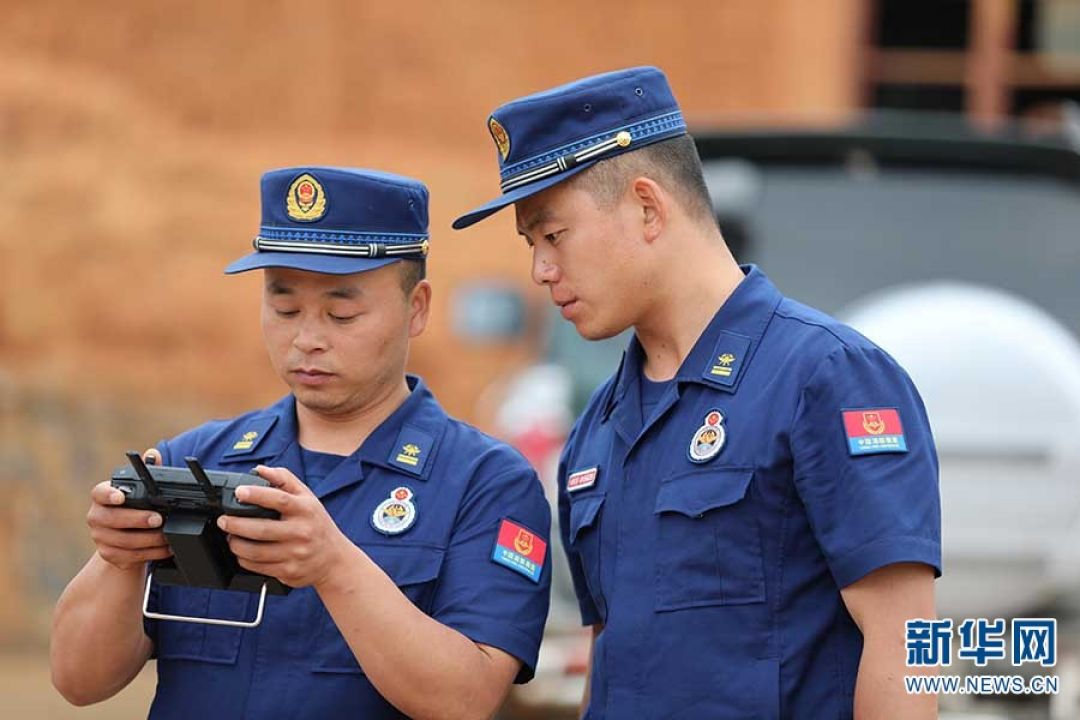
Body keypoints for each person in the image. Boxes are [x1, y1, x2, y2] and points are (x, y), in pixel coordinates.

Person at [453, 67, 941, 719]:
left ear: (648, 207)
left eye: (553, 235)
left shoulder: (827, 376)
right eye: (531, 244)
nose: (541, 270)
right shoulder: (598, 429)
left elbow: (906, 639)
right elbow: (611, 660)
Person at [51, 167, 552, 720]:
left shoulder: (483, 484)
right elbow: (78, 679)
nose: (307, 339)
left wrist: (333, 566)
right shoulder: (197, 463)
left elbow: (466, 700)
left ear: (417, 309)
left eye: (342, 313)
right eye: (284, 308)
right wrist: (118, 559)